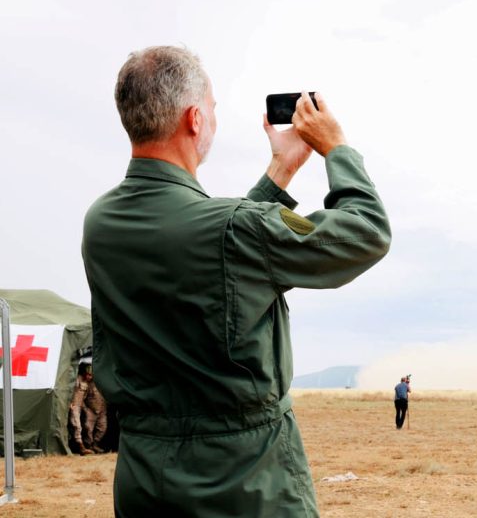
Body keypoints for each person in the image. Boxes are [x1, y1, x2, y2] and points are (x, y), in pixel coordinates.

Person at [82, 46, 391, 517]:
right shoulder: (234, 229)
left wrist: (282, 169)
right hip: (247, 485)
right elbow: (366, 232)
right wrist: (338, 148)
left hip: (146, 481)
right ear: (194, 120)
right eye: (211, 108)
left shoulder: (100, 223)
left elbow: (214, 249)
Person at [69, 362, 107, 455]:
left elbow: (84, 396)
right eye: (88, 375)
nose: (90, 377)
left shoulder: (88, 382)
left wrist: (84, 408)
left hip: (80, 405)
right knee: (77, 425)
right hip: (74, 405)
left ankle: (90, 446)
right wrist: (69, 402)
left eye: (91, 375)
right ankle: (81, 447)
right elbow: (69, 391)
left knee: (84, 426)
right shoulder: (77, 379)